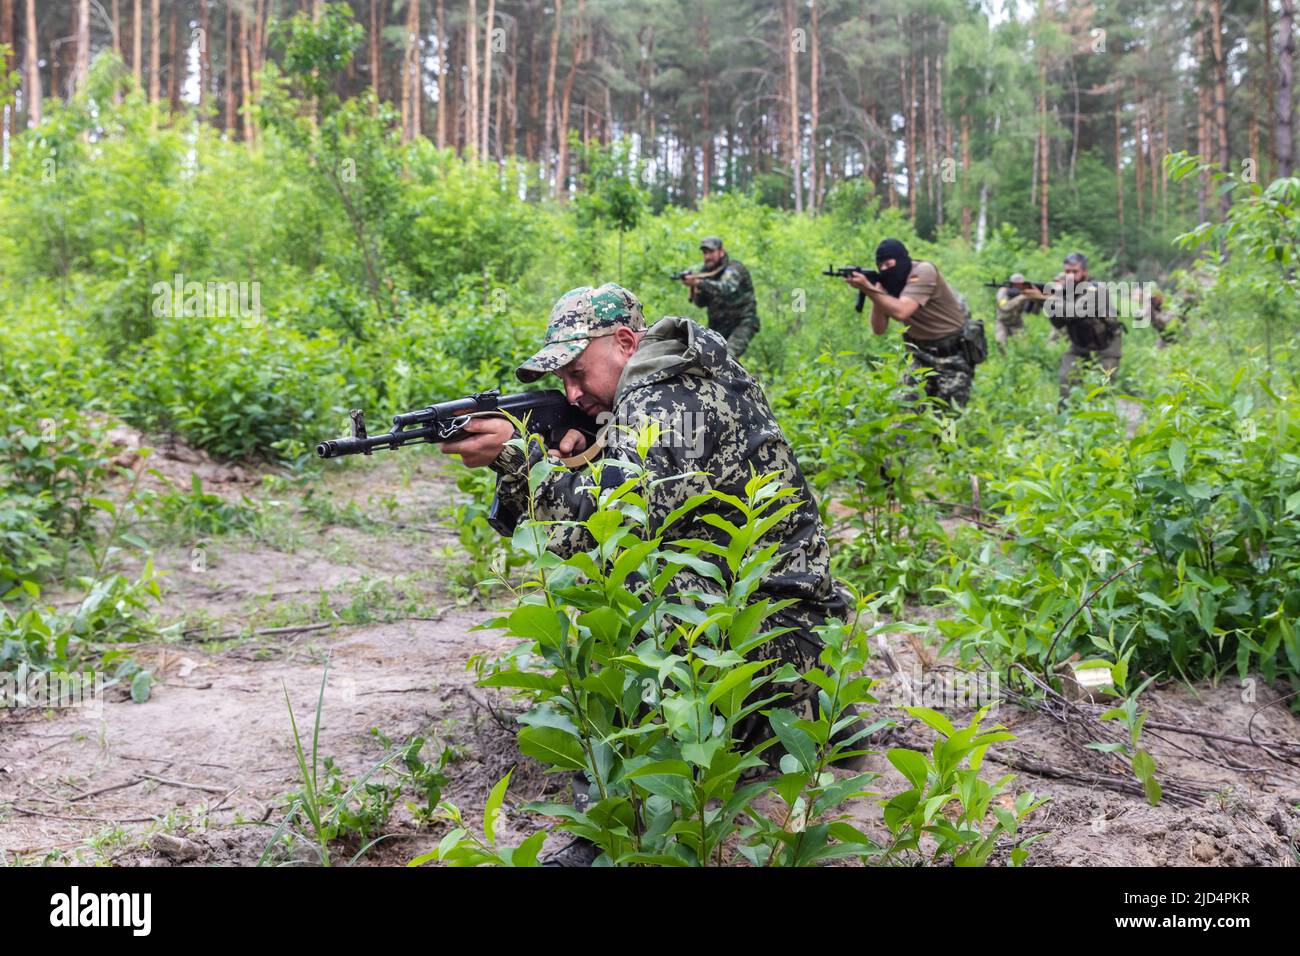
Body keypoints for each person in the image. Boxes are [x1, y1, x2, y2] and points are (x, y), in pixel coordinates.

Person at [440, 283, 857, 864]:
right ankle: (809, 714)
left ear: (627, 342)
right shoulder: (673, 374)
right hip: (790, 614)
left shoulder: (668, 402)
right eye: (561, 379)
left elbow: (611, 532)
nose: (572, 392)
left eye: (579, 373)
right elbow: (595, 506)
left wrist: (521, 461)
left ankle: (615, 814)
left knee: (641, 587)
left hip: (782, 629)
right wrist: (573, 456)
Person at [844, 238, 977, 410]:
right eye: (881, 266)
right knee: (905, 416)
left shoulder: (924, 271)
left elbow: (902, 311)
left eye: (889, 264)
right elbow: (878, 329)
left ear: (901, 260)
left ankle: (944, 436)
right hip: (920, 356)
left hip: (952, 357)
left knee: (947, 424)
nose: (885, 270)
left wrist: (869, 289)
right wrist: (875, 291)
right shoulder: (889, 283)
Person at [1047, 252, 1124, 401]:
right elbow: (1058, 323)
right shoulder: (1065, 291)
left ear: (1085, 272)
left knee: (1102, 390)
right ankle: (1066, 420)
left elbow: (1074, 311)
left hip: (1106, 346)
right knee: (1066, 379)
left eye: (1074, 272)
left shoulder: (1096, 289)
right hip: (1080, 344)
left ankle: (1103, 421)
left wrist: (1054, 297)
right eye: (1067, 272)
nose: (1070, 276)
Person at [679, 236, 761, 358]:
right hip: (719, 328)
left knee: (728, 357)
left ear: (721, 252)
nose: (707, 257)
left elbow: (726, 288)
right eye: (705, 253)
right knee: (705, 359)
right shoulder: (705, 273)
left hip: (742, 323)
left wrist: (698, 283)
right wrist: (694, 288)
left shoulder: (733, 268)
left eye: (711, 252)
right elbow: (701, 303)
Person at [994, 273, 1046, 346]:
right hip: (1002, 321)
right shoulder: (1003, 291)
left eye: (1020, 284)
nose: (1018, 286)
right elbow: (1005, 307)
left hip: (1017, 323)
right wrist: (1022, 297)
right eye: (1015, 284)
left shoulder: (1025, 291)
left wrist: (1035, 298)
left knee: (1022, 345)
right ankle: (1004, 357)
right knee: (1000, 342)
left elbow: (1035, 312)